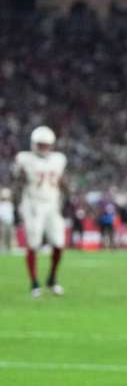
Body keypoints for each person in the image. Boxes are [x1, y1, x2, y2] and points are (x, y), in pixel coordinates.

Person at [13, 126, 68, 297]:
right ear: (33, 144)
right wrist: (17, 206)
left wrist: (69, 199)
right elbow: (18, 182)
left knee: (59, 243)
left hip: (52, 203)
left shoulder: (59, 159)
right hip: (33, 204)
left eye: (46, 144)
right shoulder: (24, 159)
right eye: (40, 144)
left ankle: (52, 278)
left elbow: (61, 181)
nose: (43, 147)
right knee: (33, 243)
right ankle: (34, 283)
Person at [0, 187, 14, 254]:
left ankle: (9, 247)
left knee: (9, 235)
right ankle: (3, 247)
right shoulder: (1, 204)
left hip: (9, 222)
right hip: (3, 222)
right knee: (3, 235)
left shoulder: (10, 204)